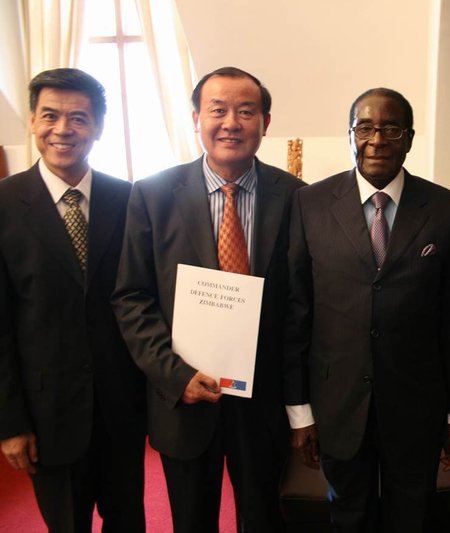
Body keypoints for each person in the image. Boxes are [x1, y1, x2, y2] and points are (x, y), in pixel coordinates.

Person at [112, 66, 304, 533]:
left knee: (264, 518)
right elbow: (131, 297)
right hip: (185, 397)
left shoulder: (297, 196)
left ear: (266, 121)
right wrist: (175, 376)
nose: (231, 123)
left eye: (246, 111)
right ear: (196, 117)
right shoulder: (153, 194)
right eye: (218, 110)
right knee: (191, 520)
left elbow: (301, 302)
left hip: (263, 401)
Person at [283, 87, 450, 532]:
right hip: (337, 406)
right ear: (349, 134)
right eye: (364, 127)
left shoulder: (446, 209)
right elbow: (297, 314)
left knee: (413, 518)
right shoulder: (309, 204)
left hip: (417, 407)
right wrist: (300, 411)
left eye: (391, 128)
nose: (377, 139)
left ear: (408, 138)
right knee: (348, 516)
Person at [0, 68, 146, 532]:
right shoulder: (3, 205)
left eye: (78, 118)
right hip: (48, 416)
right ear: (31, 122)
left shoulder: (128, 199)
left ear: (98, 127)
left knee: (129, 522)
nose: (63, 130)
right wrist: (9, 422)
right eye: (50, 116)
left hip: (121, 410)